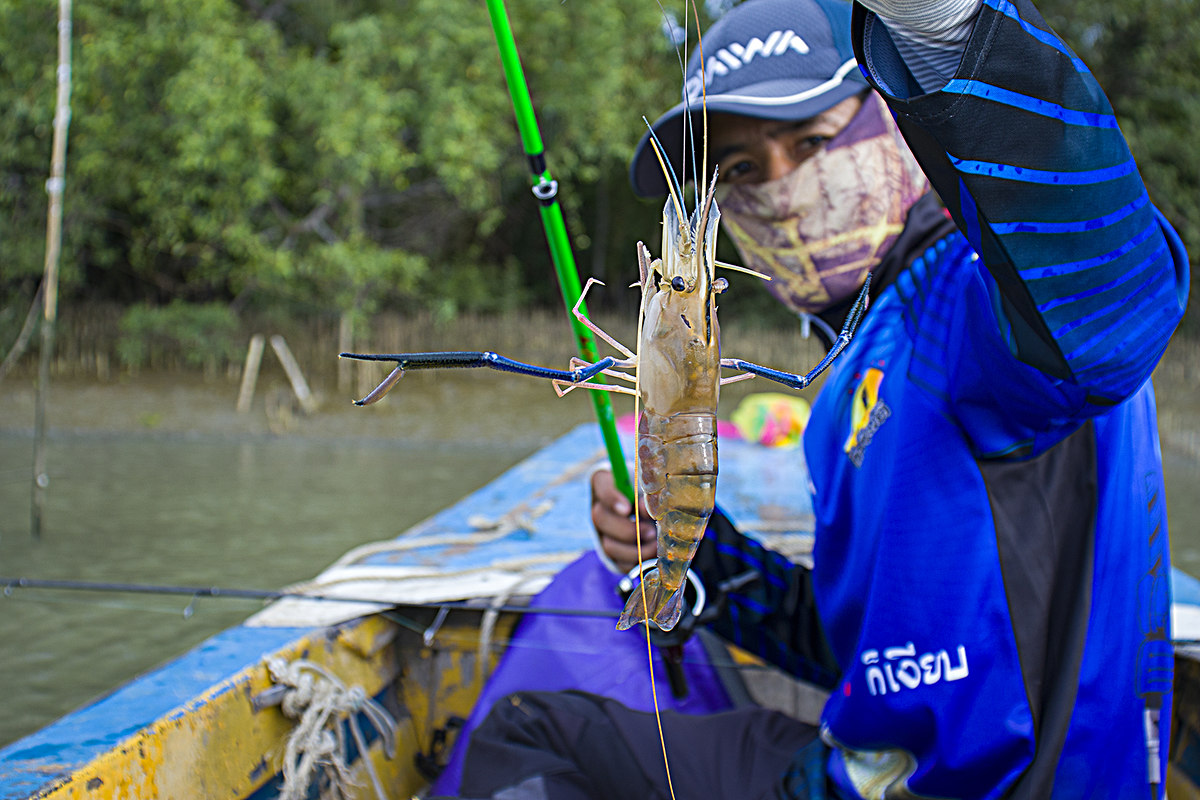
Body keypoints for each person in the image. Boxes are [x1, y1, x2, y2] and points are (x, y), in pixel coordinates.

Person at [456, 0, 1191, 796]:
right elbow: (868, 648)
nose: (779, 188)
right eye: (737, 171)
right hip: (860, 770)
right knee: (537, 728)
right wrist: (705, 561)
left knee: (530, 736)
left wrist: (950, 33)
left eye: (810, 139)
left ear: (896, 119)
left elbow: (1115, 308)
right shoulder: (843, 369)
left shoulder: (977, 303)